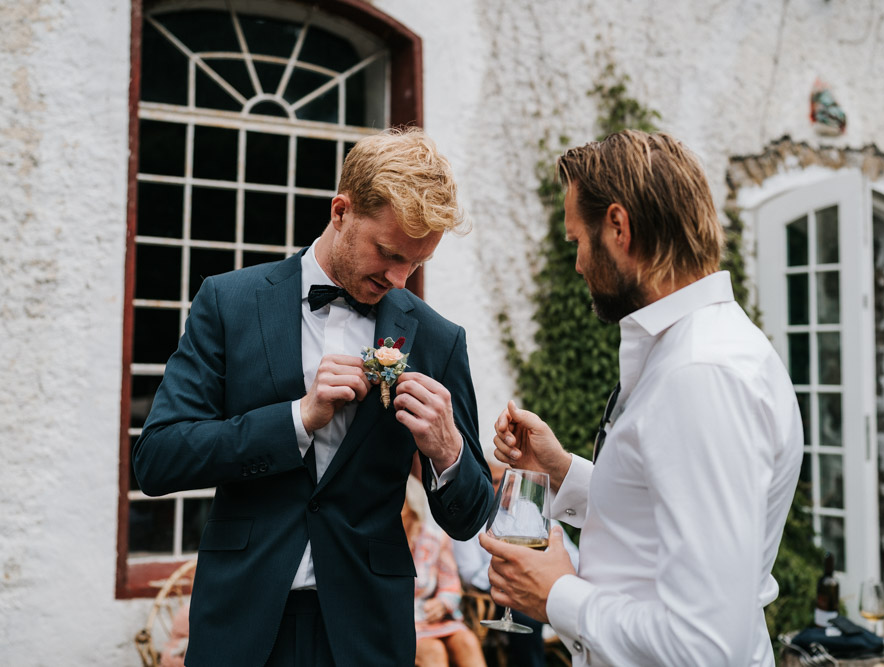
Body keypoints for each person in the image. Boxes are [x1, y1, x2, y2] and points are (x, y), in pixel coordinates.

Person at [133, 127, 493, 667]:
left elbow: (469, 517)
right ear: (341, 210)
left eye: (416, 264)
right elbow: (158, 459)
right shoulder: (229, 304)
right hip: (241, 619)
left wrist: (447, 453)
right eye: (389, 253)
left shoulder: (439, 339)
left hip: (367, 632)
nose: (399, 279)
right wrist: (298, 419)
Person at [481, 129, 803, 666]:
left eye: (577, 241)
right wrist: (562, 471)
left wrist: (556, 594)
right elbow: (652, 519)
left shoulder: (701, 374)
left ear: (618, 226)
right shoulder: (690, 349)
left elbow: (706, 647)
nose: (579, 263)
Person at [452, 459, 580, 667]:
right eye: (497, 481)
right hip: (496, 595)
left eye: (512, 482)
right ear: (482, 481)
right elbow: (470, 573)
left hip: (544, 586)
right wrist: (516, 565)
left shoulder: (534, 509)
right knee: (526, 613)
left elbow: (573, 557)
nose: (506, 488)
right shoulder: (470, 517)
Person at [402, 475, 487, 667]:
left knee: (467, 642)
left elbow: (451, 584)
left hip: (434, 619)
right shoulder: (376, 543)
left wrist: (442, 604)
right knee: (433, 651)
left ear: (412, 509)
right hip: (400, 624)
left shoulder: (434, 539)